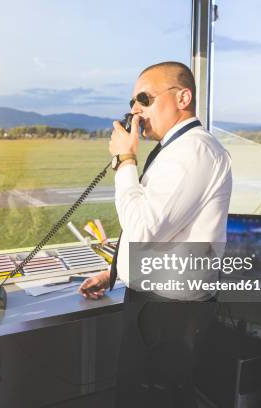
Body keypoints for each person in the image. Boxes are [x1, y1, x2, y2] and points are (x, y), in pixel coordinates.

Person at [78, 61, 232, 407]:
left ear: (183, 97)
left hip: (169, 317)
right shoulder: (174, 151)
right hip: (155, 308)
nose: (136, 110)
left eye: (144, 99)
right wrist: (115, 271)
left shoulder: (193, 151)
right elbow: (158, 225)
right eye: (133, 102)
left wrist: (125, 160)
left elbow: (146, 228)